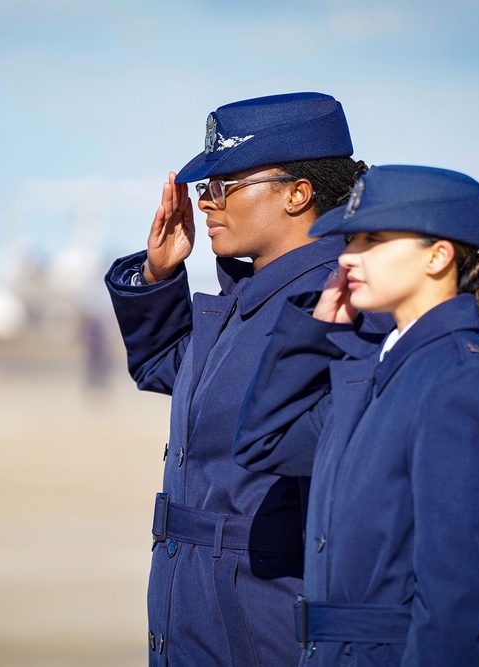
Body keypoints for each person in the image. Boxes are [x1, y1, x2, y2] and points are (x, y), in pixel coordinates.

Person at [104, 93, 390, 666]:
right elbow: (171, 368)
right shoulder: (249, 299)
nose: (205, 203)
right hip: (201, 611)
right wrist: (161, 274)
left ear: (297, 193)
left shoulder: (340, 304)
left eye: (224, 185)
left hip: (265, 619)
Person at [234, 165, 479, 666]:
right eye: (350, 240)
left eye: (373, 240)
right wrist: (311, 335)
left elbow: (458, 598)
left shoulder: (460, 385)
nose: (348, 258)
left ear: (438, 255)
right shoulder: (376, 366)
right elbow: (264, 442)